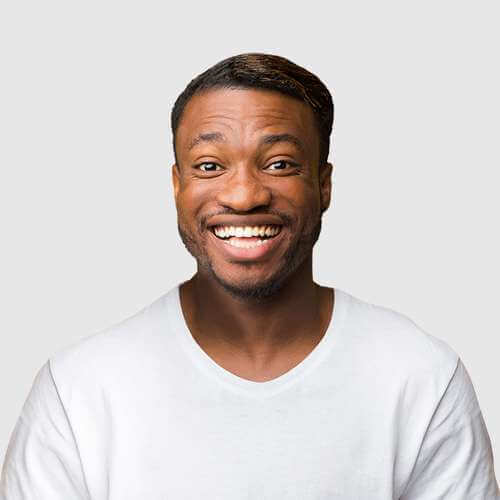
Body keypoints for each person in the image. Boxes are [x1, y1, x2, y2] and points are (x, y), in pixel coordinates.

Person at [1, 53, 498, 499]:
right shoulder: (79, 389)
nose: (243, 196)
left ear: (323, 184)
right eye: (209, 166)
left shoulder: (420, 376)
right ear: (177, 185)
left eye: (279, 164)